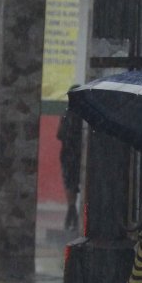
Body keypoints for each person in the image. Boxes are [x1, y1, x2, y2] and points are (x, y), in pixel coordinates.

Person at [58, 88, 83, 231]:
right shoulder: (84, 114)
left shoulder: (66, 114)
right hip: (77, 154)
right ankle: (73, 212)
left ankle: (71, 209)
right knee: (75, 182)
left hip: (68, 154)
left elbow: (59, 134)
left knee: (69, 183)